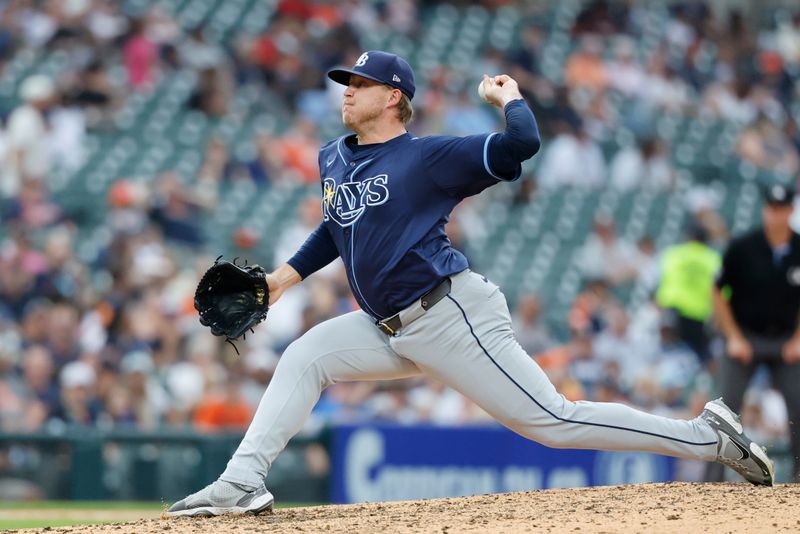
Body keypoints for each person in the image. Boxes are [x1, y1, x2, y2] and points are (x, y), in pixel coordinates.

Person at [167, 51, 773, 517]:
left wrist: (507, 97)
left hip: (449, 314)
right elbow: (336, 226)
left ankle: (708, 436)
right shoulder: (334, 157)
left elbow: (523, 143)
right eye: (344, 83)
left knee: (553, 420)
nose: (346, 90)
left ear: (394, 97)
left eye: (360, 83)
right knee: (304, 357)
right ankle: (243, 482)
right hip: (387, 326)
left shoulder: (430, 157)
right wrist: (280, 280)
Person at [707, 183, 800, 483]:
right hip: (745, 337)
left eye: (782, 208)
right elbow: (718, 291)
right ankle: (711, 482)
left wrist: (798, 339)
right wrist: (733, 336)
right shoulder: (743, 246)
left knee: (798, 403)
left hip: (786, 340)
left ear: (790, 210)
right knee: (724, 410)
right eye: (771, 208)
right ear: (765, 210)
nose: (776, 214)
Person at [655, 224, 721, 362]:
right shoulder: (714, 259)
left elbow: (661, 281)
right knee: (705, 358)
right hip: (701, 316)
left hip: (674, 311)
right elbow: (723, 291)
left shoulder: (673, 253)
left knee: (669, 355)